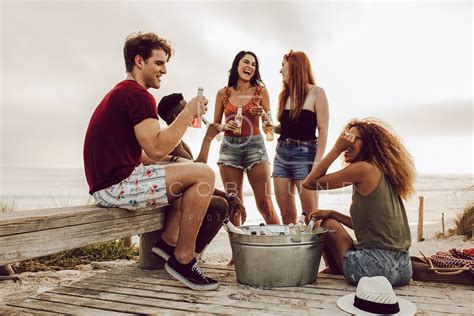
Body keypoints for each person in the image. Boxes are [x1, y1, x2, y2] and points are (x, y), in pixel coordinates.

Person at [83, 32, 218, 291]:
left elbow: (143, 154)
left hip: (109, 184)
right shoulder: (138, 95)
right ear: (139, 61)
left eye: (165, 64)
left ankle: (168, 243)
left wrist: (176, 162)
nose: (164, 70)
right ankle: (183, 259)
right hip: (116, 188)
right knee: (205, 175)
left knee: (192, 174)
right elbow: (156, 148)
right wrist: (188, 112)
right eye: (159, 63)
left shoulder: (122, 93)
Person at [303, 118, 415, 287]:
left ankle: (335, 269)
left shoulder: (363, 169)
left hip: (377, 269)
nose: (346, 142)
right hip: (404, 269)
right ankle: (339, 268)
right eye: (345, 138)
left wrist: (336, 148)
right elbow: (368, 227)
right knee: (331, 219)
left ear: (367, 144)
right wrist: (333, 213)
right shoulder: (384, 171)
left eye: (352, 138)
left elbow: (310, 183)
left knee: (325, 224)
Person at [154, 93, 246, 259]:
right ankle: (189, 258)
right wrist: (208, 138)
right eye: (187, 108)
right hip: (169, 200)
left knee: (222, 202)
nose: (196, 113)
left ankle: (189, 255)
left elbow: (196, 173)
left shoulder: (179, 141)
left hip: (177, 197)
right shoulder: (170, 140)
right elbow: (199, 169)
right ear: (177, 116)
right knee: (219, 205)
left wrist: (229, 195)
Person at [214, 51, 280, 226]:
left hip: (255, 147)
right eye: (246, 62)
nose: (250, 66)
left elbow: (270, 124)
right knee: (234, 207)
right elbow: (215, 127)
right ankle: (239, 254)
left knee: (265, 204)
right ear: (237, 65)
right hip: (229, 149)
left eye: (254, 64)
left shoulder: (260, 91)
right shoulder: (223, 94)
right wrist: (224, 126)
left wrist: (264, 114)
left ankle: (278, 246)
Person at [272, 50, 329, 224]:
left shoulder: (317, 93)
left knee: (311, 217)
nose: (280, 71)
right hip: (281, 154)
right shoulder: (284, 96)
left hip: (305, 155)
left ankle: (316, 252)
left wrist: (317, 165)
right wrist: (271, 127)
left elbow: (323, 130)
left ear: (294, 66)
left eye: (283, 66)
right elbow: (288, 128)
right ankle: (293, 251)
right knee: (287, 217)